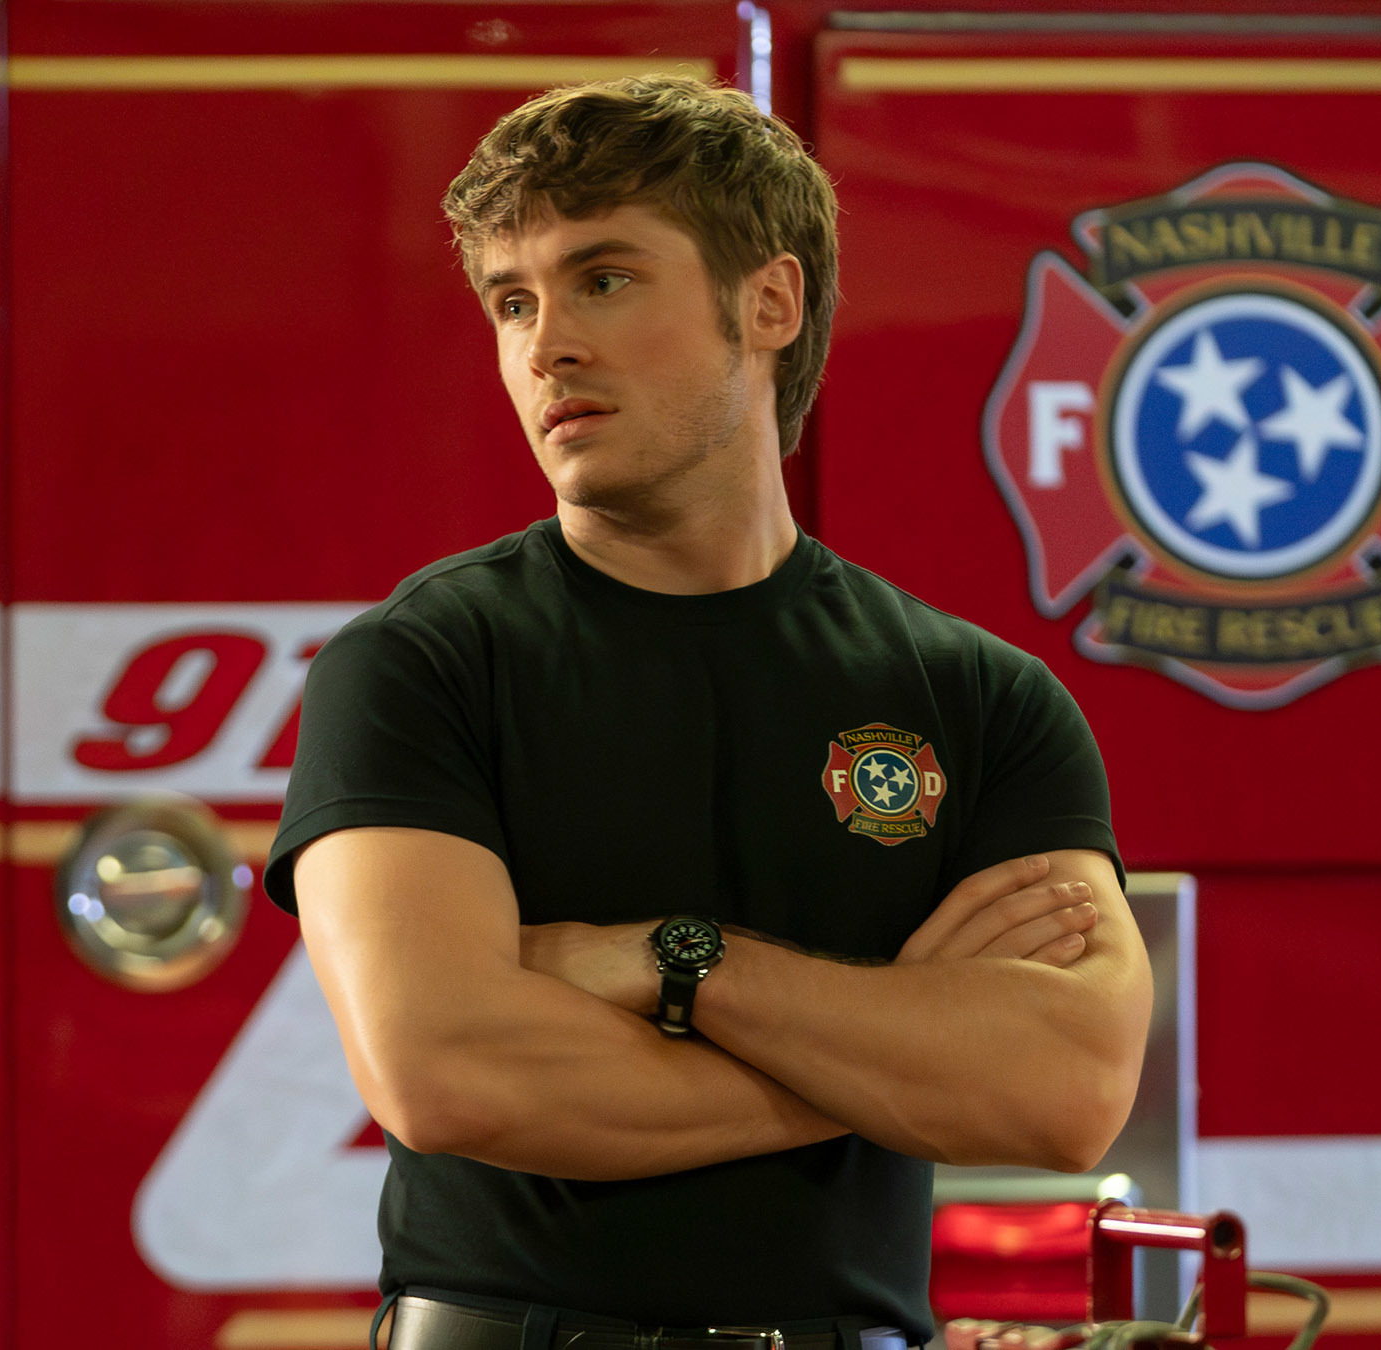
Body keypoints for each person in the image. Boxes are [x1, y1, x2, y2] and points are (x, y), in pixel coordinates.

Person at [261, 75, 1152, 1350]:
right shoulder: (417, 665)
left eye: (604, 278)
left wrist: (677, 962)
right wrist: (892, 1054)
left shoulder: (979, 699)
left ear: (769, 302)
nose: (545, 346)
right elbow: (448, 1071)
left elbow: (1064, 1093)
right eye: (513, 301)